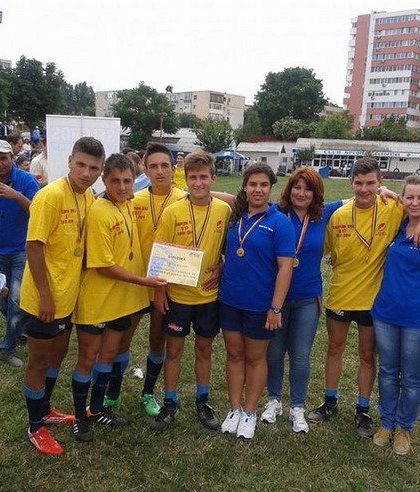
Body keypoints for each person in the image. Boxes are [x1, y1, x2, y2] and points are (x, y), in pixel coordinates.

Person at [308, 157, 410, 438]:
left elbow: (419, 205)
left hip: (373, 300)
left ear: (380, 182)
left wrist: (399, 198)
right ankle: (329, 401)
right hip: (340, 294)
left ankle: (362, 409)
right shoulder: (339, 216)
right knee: (334, 347)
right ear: (351, 183)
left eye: (370, 183)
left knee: (367, 354)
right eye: (359, 183)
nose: (364, 189)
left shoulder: (393, 208)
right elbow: (323, 251)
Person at [70, 154, 166, 442]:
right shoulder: (99, 212)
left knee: (108, 355)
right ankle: (80, 417)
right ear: (104, 180)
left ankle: (97, 409)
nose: (122, 187)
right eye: (115, 181)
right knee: (88, 357)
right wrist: (144, 281)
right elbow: (103, 265)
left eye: (127, 181)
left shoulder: (127, 203)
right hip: (97, 300)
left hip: (121, 300)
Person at [20, 136, 105, 456]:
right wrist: (44, 295)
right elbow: (33, 246)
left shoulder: (87, 196)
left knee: (57, 355)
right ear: (69, 161)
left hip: (67, 296)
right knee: (39, 361)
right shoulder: (50, 196)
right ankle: (35, 427)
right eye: (80, 164)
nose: (86, 172)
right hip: (45, 299)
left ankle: (44, 410)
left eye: (93, 168)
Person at [150, 150, 231, 432]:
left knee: (204, 349)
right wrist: (160, 293)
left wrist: (222, 267)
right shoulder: (173, 212)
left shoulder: (223, 210)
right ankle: (170, 402)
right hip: (178, 297)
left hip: (209, 296)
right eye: (193, 177)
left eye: (203, 177)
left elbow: (230, 247)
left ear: (213, 179)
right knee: (173, 350)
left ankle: (202, 401)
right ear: (186, 179)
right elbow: (159, 257)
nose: (198, 183)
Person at [103, 142, 184, 418]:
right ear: (144, 170)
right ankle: (112, 393)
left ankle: (148, 393)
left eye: (165, 166)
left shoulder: (185, 200)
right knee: (122, 341)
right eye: (153, 166)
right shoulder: (131, 199)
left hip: (167, 285)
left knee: (157, 341)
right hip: (136, 282)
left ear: (173, 169)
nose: (159, 171)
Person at [262, 167, 345, 434]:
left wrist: (386, 190)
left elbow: (359, 197)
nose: (301, 193)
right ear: (289, 190)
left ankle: (297, 406)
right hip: (277, 297)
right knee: (274, 353)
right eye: (296, 187)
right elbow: (235, 199)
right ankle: (274, 400)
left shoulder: (324, 213)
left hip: (308, 298)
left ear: (316, 193)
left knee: (300, 355)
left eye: (307, 189)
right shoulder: (275, 212)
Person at [219, 163, 295, 439]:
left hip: (260, 304)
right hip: (229, 299)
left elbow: (285, 268)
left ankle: (249, 411)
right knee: (234, 354)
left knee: (255, 358)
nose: (258, 190)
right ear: (244, 186)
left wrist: (276, 307)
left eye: (263, 184)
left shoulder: (279, 222)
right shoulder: (234, 216)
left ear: (271, 187)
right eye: (252, 184)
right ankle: (234, 409)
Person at [371, 174, 420, 455]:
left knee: (412, 378)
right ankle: (387, 422)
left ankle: (403, 428)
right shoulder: (399, 223)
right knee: (388, 371)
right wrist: (387, 190)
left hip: (418, 318)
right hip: (386, 314)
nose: (415, 203)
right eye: (410, 197)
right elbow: (383, 190)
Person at [0, 139, 40, 367]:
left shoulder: (26, 180)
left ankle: (7, 348)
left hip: (22, 249)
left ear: (12, 158)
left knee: (15, 300)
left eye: (4, 158)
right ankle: (20, 329)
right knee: (2, 302)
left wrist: (17, 195)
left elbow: (37, 212)